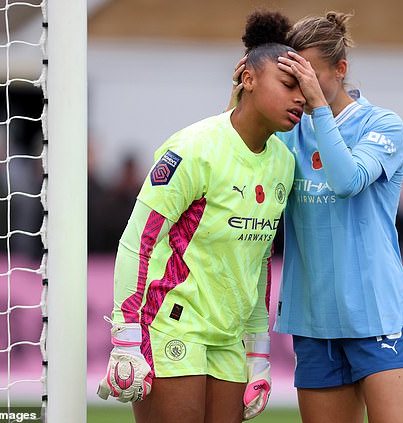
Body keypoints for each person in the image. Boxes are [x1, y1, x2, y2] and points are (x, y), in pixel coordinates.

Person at [97, 11, 304, 423]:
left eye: (304, 88)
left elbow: (259, 261)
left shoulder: (284, 162)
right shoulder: (193, 148)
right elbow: (138, 240)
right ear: (247, 79)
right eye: (288, 85)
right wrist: (125, 336)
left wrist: (259, 351)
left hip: (228, 338)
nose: (300, 98)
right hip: (174, 324)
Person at [230, 11, 403, 423]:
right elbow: (232, 149)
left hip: (380, 319)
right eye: (291, 81)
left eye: (309, 78)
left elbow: (346, 179)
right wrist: (242, 93)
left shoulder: (383, 125)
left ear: (341, 70)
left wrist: (319, 108)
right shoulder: (288, 130)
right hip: (314, 324)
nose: (300, 92)